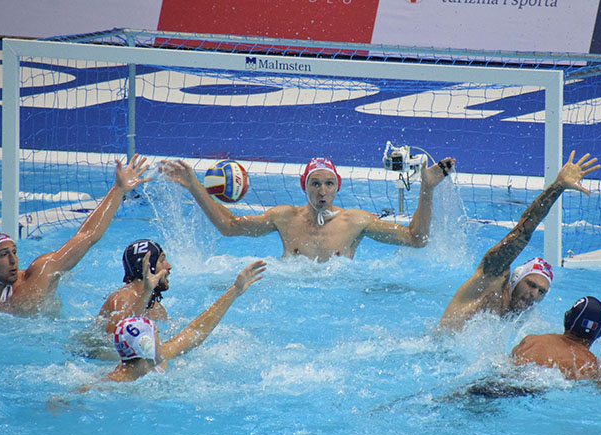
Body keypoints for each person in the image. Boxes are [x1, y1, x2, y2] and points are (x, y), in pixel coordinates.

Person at [159, 155, 456, 262]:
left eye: (328, 184)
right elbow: (229, 227)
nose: (322, 191)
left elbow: (417, 239)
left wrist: (427, 188)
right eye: (315, 184)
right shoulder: (284, 218)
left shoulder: (356, 222)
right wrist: (194, 185)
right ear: (304, 186)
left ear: (337, 187)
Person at [0, 155, 151, 316]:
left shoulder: (40, 275)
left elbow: (87, 235)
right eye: (3, 254)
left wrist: (118, 190)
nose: (13, 260)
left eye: (14, 252)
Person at [439, 151, 601, 330]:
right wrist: (558, 187)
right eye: (531, 284)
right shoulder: (489, 283)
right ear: (516, 279)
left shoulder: (526, 323)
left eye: (541, 292)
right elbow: (522, 232)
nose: (534, 294)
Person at [79, 260, 266, 389]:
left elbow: (194, 332)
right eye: (156, 334)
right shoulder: (107, 387)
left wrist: (234, 291)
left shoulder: (153, 358)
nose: (160, 338)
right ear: (147, 345)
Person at [509, 296, 601, 393]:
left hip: (508, 381)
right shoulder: (591, 365)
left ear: (567, 319)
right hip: (539, 392)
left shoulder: (530, 341)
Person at [97, 239, 172, 334]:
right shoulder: (120, 300)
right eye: (162, 260)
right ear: (147, 266)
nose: (168, 266)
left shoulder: (158, 310)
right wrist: (147, 291)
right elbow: (115, 335)